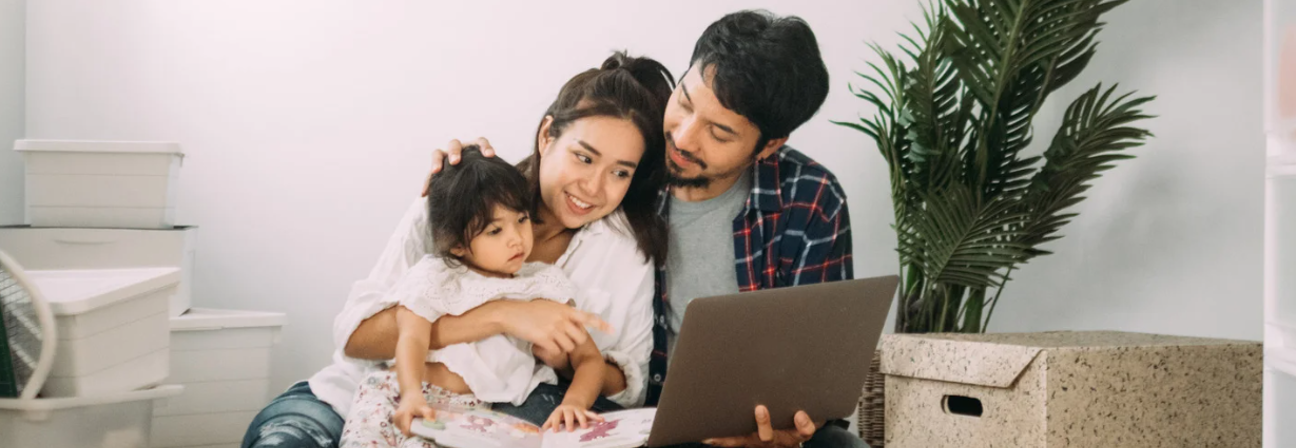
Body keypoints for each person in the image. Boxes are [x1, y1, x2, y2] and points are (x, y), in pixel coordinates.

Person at [430, 10, 864, 448]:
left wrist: (785, 426)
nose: (684, 138)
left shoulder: (810, 198)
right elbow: (549, 175)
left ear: (769, 146)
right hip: (642, 423)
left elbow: (817, 368)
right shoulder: (624, 167)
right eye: (686, 102)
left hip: (758, 422)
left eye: (718, 132)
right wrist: (463, 170)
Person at [241, 52, 675, 448]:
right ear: (547, 136)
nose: (594, 187)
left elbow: (628, 384)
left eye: (620, 172)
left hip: (487, 417)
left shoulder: (620, 248)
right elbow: (357, 338)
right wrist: (502, 315)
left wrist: (563, 358)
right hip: (369, 390)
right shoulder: (459, 198)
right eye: (583, 158)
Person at [339, 147, 618, 448]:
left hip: (473, 415)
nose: (516, 238)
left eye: (522, 219)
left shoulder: (543, 286)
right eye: (495, 230)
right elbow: (411, 338)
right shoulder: (438, 275)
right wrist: (410, 395)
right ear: (458, 244)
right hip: (399, 393)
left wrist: (574, 402)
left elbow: (589, 359)